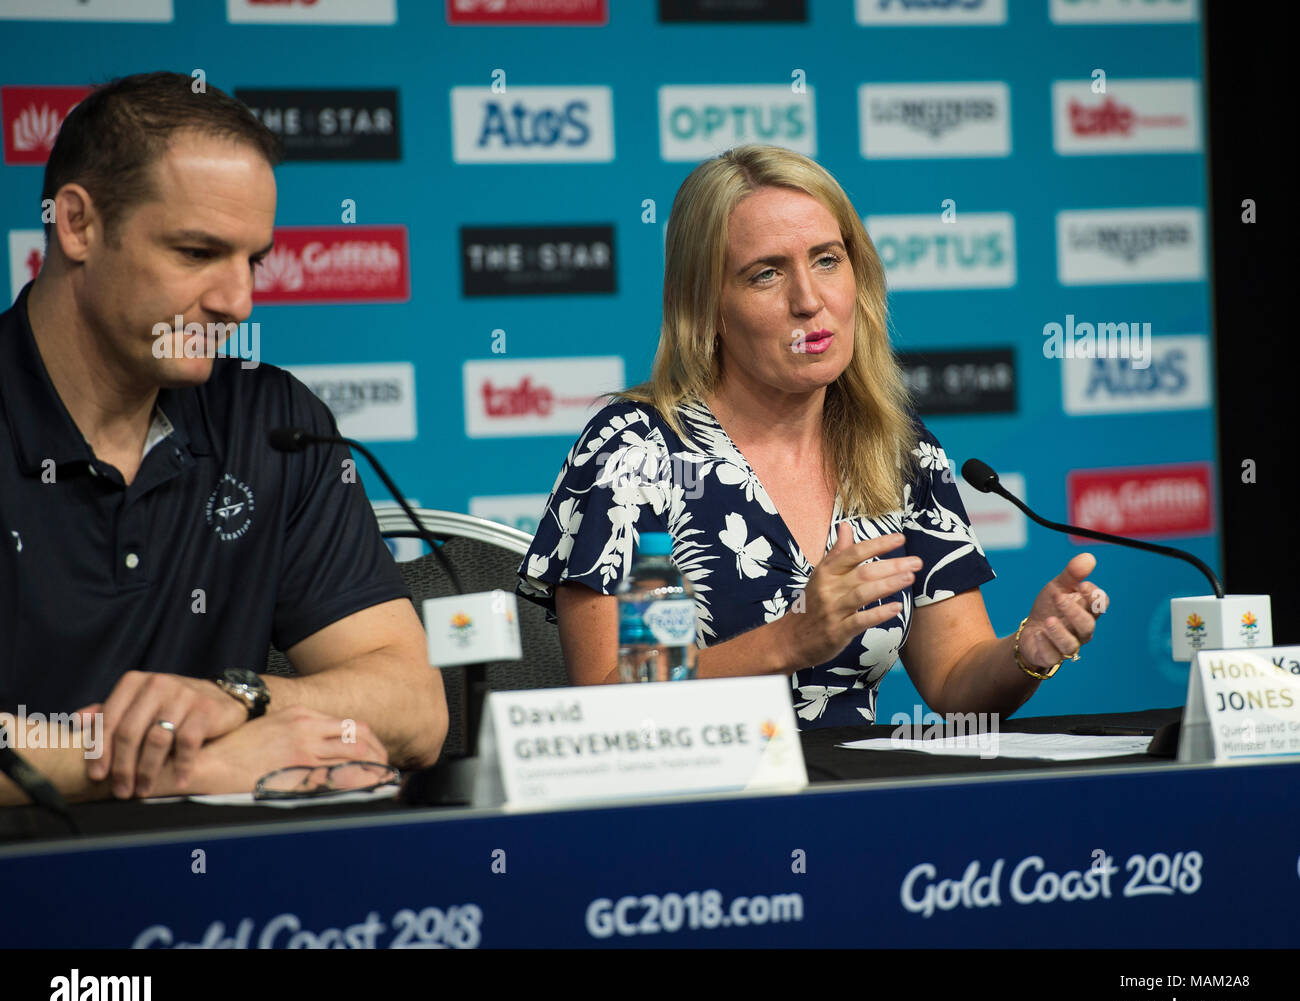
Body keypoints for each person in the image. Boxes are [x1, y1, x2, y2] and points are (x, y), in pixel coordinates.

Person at [518, 144, 1108, 727]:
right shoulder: (635, 453)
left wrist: (1027, 652)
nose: (809, 301)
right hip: (698, 807)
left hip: (852, 804)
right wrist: (791, 638)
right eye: (766, 274)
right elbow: (602, 705)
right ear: (709, 308)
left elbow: (955, 680)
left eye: (827, 260)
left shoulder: (898, 450)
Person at [0, 72, 446, 801]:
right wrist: (187, 764)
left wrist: (242, 696)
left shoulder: (275, 424)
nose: (237, 300)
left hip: (232, 896)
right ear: (77, 224)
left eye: (254, 259)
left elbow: (416, 707)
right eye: (198, 252)